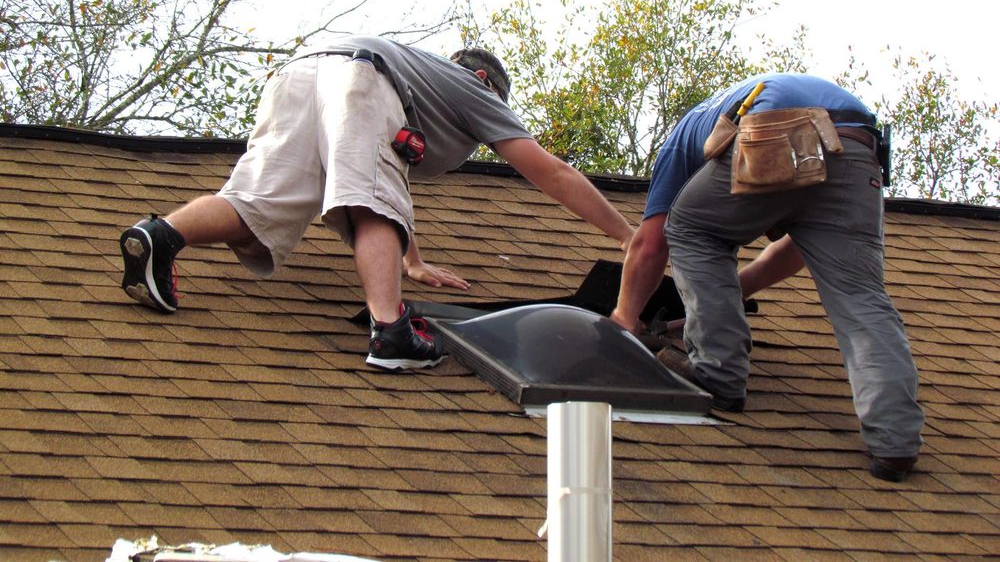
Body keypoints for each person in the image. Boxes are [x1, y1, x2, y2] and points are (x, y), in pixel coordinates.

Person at [120, 36, 634, 372]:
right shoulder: (472, 88)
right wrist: (627, 235)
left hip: (299, 75)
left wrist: (412, 260)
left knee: (257, 207)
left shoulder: (422, 78)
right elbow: (551, 171)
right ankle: (390, 333)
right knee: (370, 204)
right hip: (360, 78)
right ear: (485, 85)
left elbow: (387, 172)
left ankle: (162, 235)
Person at [609, 72, 924, 482]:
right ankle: (896, 443)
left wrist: (624, 320)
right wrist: (731, 289)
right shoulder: (729, 108)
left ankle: (719, 373)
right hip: (860, 147)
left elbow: (652, 244)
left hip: (779, 124)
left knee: (688, 227)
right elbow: (801, 247)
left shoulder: (679, 141)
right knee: (860, 296)